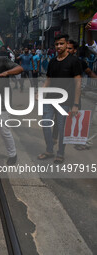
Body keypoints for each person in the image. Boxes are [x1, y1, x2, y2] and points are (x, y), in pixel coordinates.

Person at [37, 34, 82, 164]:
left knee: (62, 129)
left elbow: (77, 83)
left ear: (67, 44)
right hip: (49, 100)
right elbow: (48, 80)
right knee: (45, 124)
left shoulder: (74, 62)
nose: (59, 46)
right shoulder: (52, 61)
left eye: (61, 44)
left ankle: (60, 153)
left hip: (65, 102)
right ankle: (49, 150)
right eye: (57, 44)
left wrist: (76, 104)